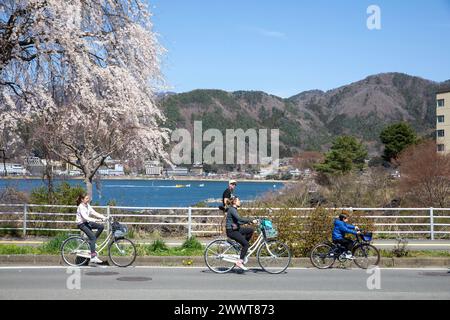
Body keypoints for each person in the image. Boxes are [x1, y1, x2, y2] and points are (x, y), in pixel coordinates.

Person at [225, 196, 258, 271]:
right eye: (238, 200)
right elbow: (240, 219)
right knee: (246, 244)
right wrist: (251, 220)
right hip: (231, 231)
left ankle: (242, 246)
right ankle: (239, 262)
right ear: (234, 202)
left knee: (250, 230)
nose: (239, 202)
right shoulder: (232, 209)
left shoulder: (234, 209)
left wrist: (249, 221)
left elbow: (238, 221)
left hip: (236, 229)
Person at [76, 194, 107, 264]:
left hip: (86, 222)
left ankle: (92, 242)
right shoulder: (81, 207)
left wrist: (103, 217)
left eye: (88, 198)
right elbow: (85, 217)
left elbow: (94, 212)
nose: (88, 199)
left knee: (101, 227)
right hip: (81, 224)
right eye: (86, 198)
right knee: (93, 238)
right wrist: (95, 220)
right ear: (82, 200)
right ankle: (93, 257)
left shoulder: (87, 205)